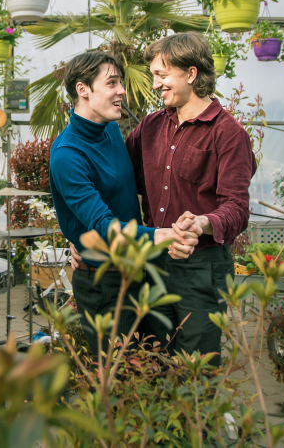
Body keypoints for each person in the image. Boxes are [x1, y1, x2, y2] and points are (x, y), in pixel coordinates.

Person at [49, 51, 199, 355]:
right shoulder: (68, 154)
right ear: (83, 90)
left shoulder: (109, 130)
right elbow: (103, 226)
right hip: (105, 284)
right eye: (112, 83)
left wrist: (78, 237)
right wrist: (166, 234)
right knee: (117, 382)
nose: (122, 91)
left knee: (151, 373)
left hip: (138, 271)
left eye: (120, 82)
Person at [125, 32, 256, 363]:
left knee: (196, 367)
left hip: (201, 266)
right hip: (153, 258)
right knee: (150, 358)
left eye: (162, 75)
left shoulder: (228, 133)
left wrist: (202, 222)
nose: (155, 85)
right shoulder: (150, 127)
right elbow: (119, 179)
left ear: (192, 73)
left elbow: (237, 208)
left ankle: (201, 417)